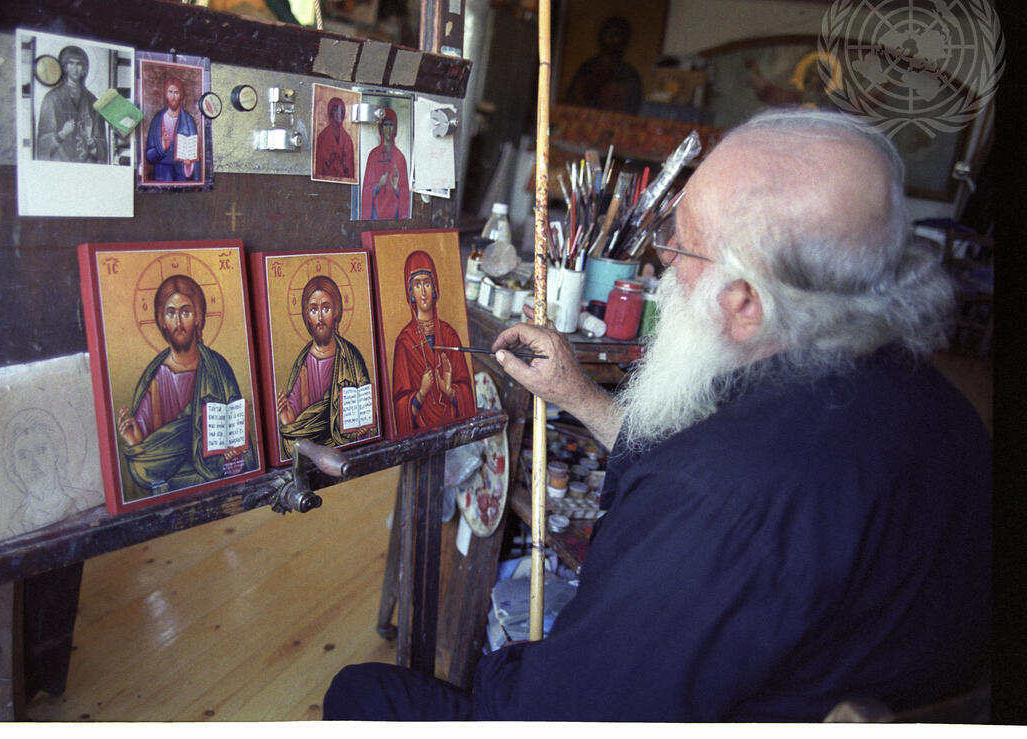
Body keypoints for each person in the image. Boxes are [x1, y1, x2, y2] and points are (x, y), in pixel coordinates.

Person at [323, 108, 991, 721]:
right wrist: (579, 395)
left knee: (362, 692)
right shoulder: (935, 403)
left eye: (683, 245)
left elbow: (561, 716)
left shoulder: (722, 498)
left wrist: (511, 666)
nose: (662, 258)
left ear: (744, 303)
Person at [117, 274, 256, 495]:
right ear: (162, 320)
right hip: (170, 487)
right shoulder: (154, 377)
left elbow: (239, 440)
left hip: (216, 481)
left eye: (185, 312)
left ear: (198, 317)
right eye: (171, 313)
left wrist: (234, 457)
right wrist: (136, 444)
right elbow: (147, 460)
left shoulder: (218, 368)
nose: (178, 323)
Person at [277, 275, 377, 459]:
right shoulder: (302, 363)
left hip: (346, 448)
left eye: (326, 308)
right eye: (313, 310)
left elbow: (366, 412)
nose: (320, 318)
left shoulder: (351, 357)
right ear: (307, 316)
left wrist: (364, 427)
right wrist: (288, 421)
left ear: (336, 311)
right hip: (313, 451)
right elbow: (296, 427)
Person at [391, 250, 476, 434]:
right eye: (417, 285)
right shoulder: (404, 342)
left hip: (451, 429)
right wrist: (421, 394)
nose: (423, 292)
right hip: (420, 435)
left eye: (427, 284)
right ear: (410, 292)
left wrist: (450, 392)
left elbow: (467, 393)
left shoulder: (449, 335)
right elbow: (399, 407)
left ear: (434, 288)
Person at [36, 45, 108, 163]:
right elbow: (42, 144)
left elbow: (102, 144)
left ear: (84, 68)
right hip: (60, 165)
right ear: (65, 67)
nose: (75, 69)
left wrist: (92, 143)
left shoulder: (93, 101)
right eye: (71, 63)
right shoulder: (52, 98)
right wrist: (62, 134)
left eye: (79, 64)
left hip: (87, 166)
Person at [564, 16, 643, 115]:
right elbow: (571, 98)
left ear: (624, 40)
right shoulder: (586, 68)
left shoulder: (629, 74)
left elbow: (632, 108)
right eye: (608, 34)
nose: (612, 39)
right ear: (601, 36)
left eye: (617, 35)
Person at [145, 75, 201, 182]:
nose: (173, 96)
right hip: (162, 172)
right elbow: (148, 156)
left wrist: (189, 162)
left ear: (181, 95)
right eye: (170, 92)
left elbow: (195, 153)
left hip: (181, 172)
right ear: (166, 94)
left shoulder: (188, 120)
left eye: (176, 92)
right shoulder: (157, 119)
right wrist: (161, 147)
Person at [360, 109, 410, 219]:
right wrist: (379, 185)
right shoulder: (373, 155)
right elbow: (366, 191)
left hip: (394, 211)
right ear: (381, 128)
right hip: (375, 211)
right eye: (385, 125)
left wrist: (396, 188)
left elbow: (405, 192)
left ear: (395, 128)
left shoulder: (400, 157)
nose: (388, 129)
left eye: (391, 125)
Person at [315, 96, 355, 180]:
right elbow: (319, 169)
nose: (338, 113)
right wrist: (330, 161)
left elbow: (351, 173)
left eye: (341, 110)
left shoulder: (347, 139)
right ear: (331, 112)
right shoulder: (323, 137)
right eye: (335, 110)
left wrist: (344, 163)